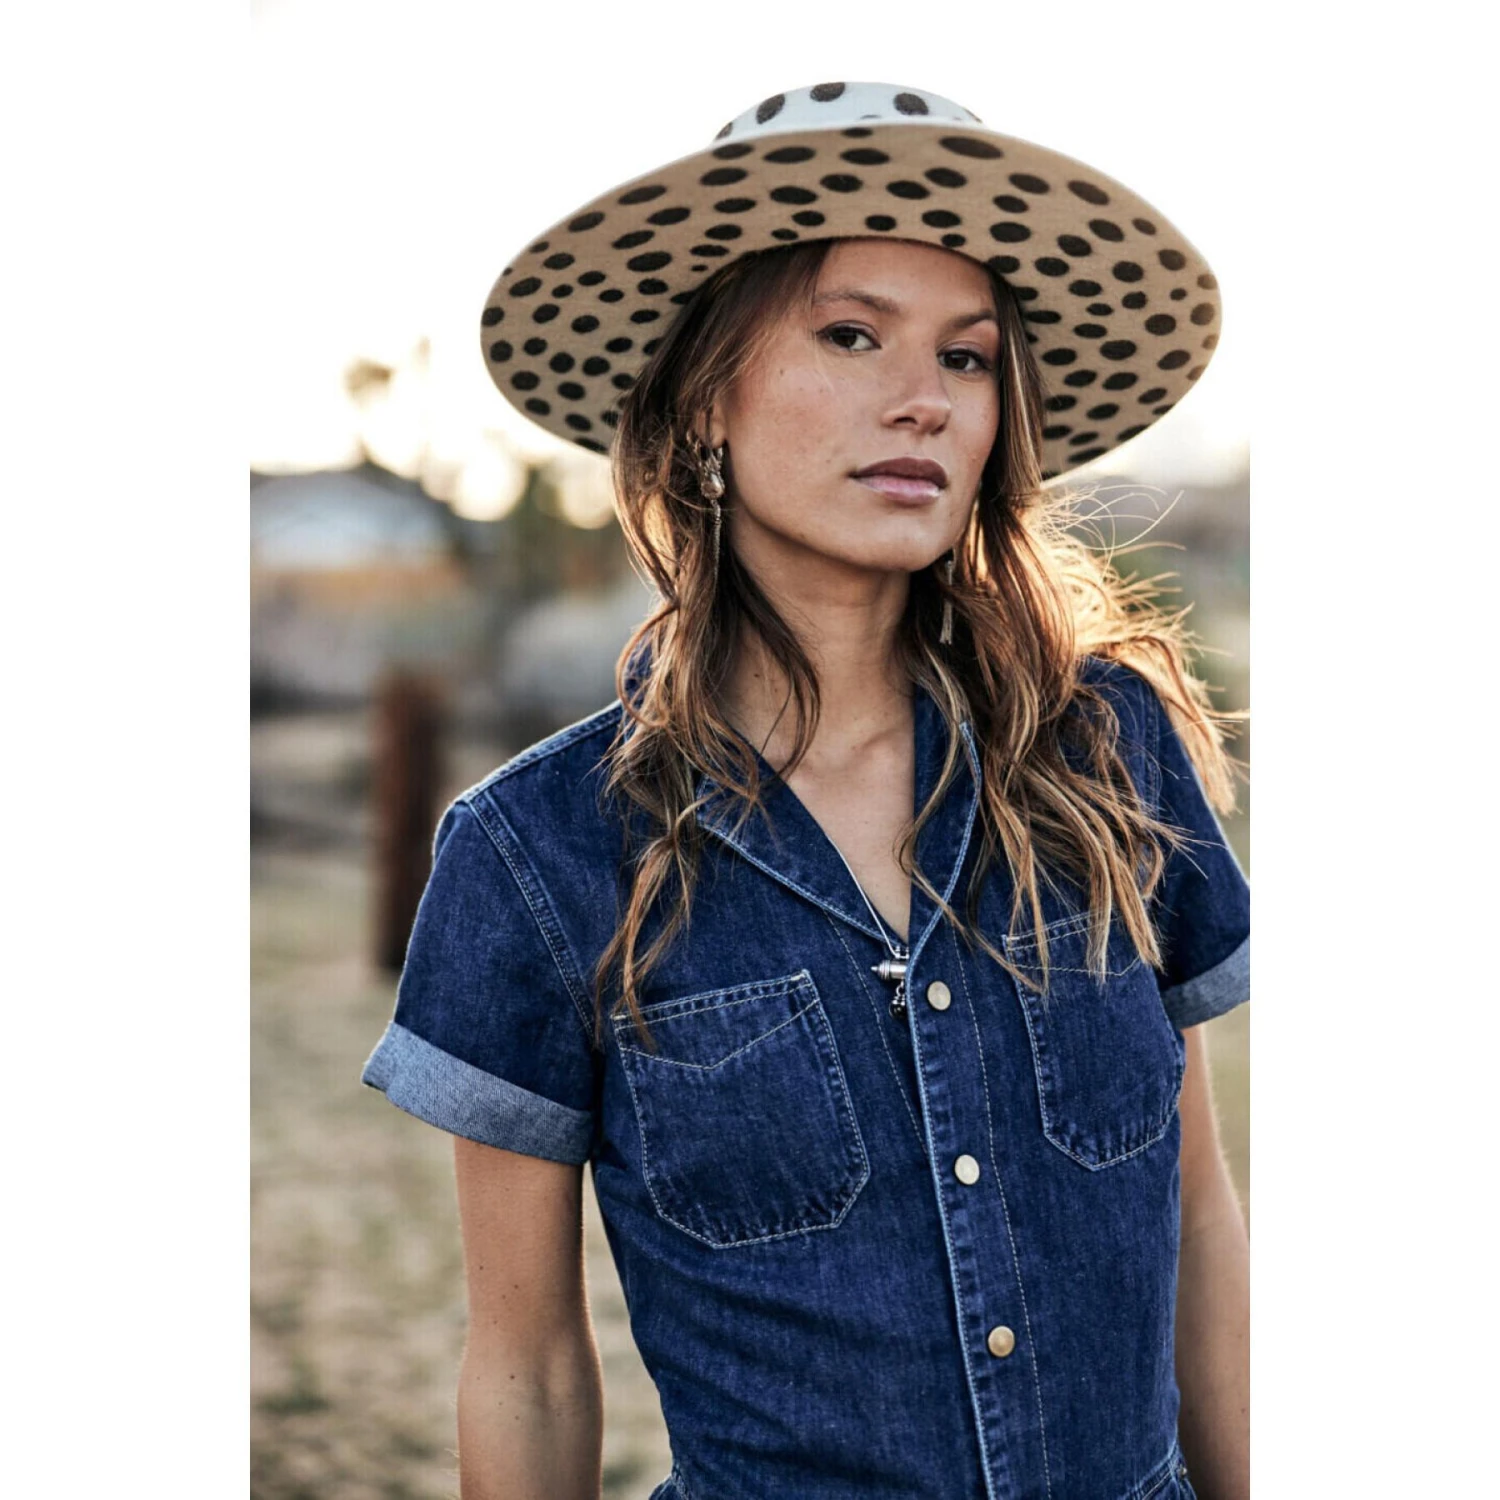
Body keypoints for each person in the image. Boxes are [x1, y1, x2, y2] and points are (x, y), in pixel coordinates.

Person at [362, 81, 1250, 1500]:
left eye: (967, 357)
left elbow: (1201, 1225)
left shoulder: (1107, 756)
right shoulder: (541, 854)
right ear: (703, 399)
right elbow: (528, 1365)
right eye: (850, 335)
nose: (924, 398)